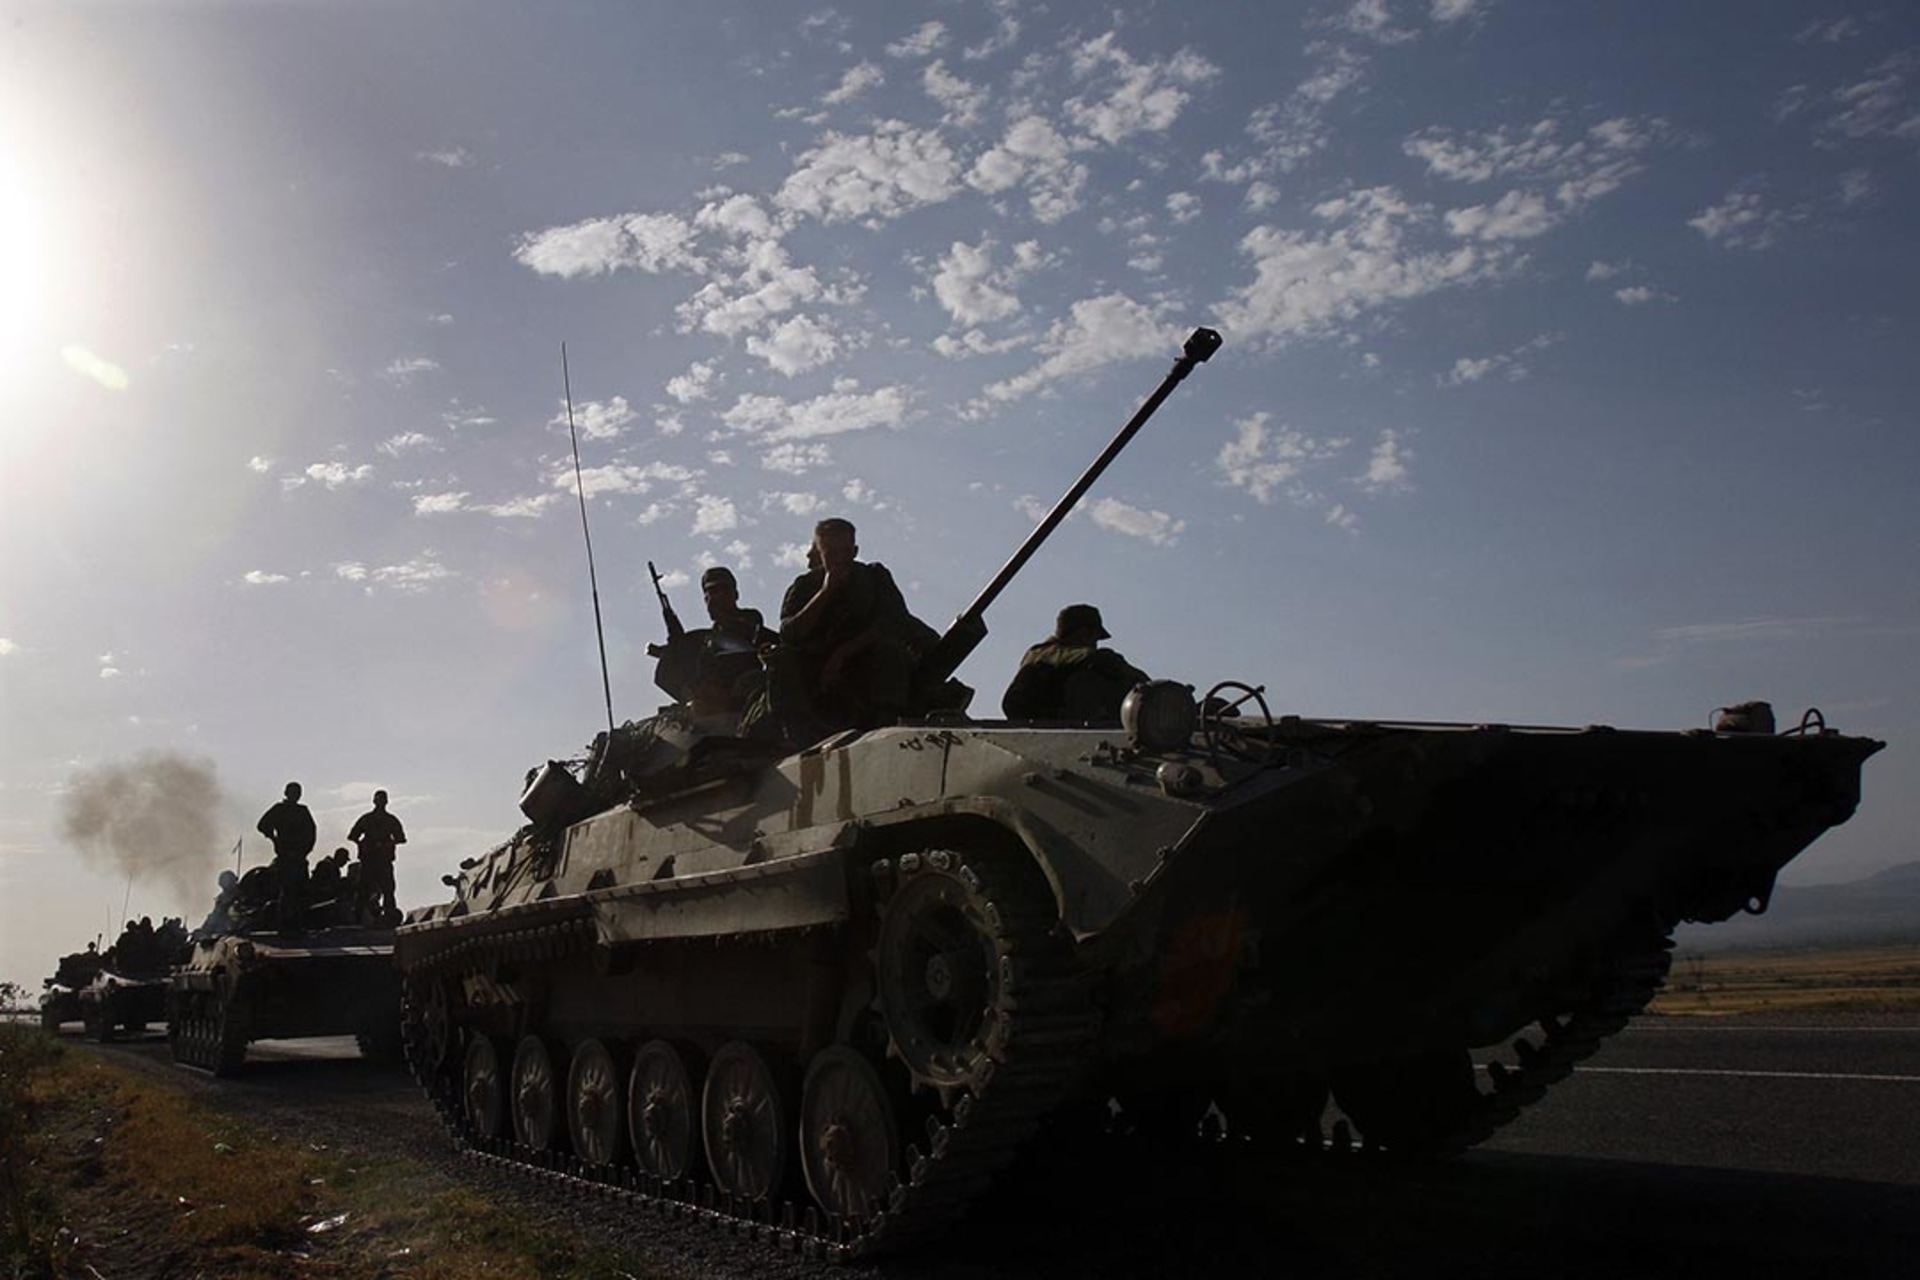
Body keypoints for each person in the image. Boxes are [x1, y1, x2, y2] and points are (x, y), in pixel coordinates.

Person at [754, 518, 933, 743]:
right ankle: (795, 737)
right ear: (819, 554)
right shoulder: (805, 585)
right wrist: (826, 592)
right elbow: (789, 633)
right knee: (781, 659)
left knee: (891, 651)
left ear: (855, 550)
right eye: (830, 553)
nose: (838, 559)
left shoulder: (874, 577)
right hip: (817, 668)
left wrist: (843, 654)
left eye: (844, 551)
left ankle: (887, 722)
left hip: (864, 661)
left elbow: (893, 622)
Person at [1001, 604, 1150, 726]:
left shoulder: (1043, 654)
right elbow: (1088, 657)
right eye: (1094, 638)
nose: (1095, 644)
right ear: (1084, 633)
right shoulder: (1043, 654)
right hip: (1052, 723)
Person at [688, 566, 778, 723]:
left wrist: (722, 617)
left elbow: (752, 633)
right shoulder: (708, 639)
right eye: (712, 592)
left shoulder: (749, 617)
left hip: (748, 692)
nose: (718, 597)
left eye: (724, 591)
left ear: (735, 594)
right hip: (718, 701)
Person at [257, 781, 317, 932]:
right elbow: (263, 825)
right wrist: (274, 838)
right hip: (285, 857)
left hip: (299, 856)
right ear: (286, 793)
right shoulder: (279, 809)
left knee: (301, 891)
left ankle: (298, 923)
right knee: (287, 892)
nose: (296, 795)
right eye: (293, 792)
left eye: (298, 792)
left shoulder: (302, 811)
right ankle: (285, 924)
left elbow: (311, 832)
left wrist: (305, 850)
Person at [347, 789, 406, 925]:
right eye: (378, 799)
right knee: (363, 891)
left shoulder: (391, 820)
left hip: (384, 860)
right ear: (374, 801)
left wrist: (387, 844)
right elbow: (353, 835)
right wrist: (362, 844)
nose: (380, 802)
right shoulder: (366, 819)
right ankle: (357, 919)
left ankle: (389, 918)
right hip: (368, 860)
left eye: (382, 799)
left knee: (388, 891)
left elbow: (401, 838)